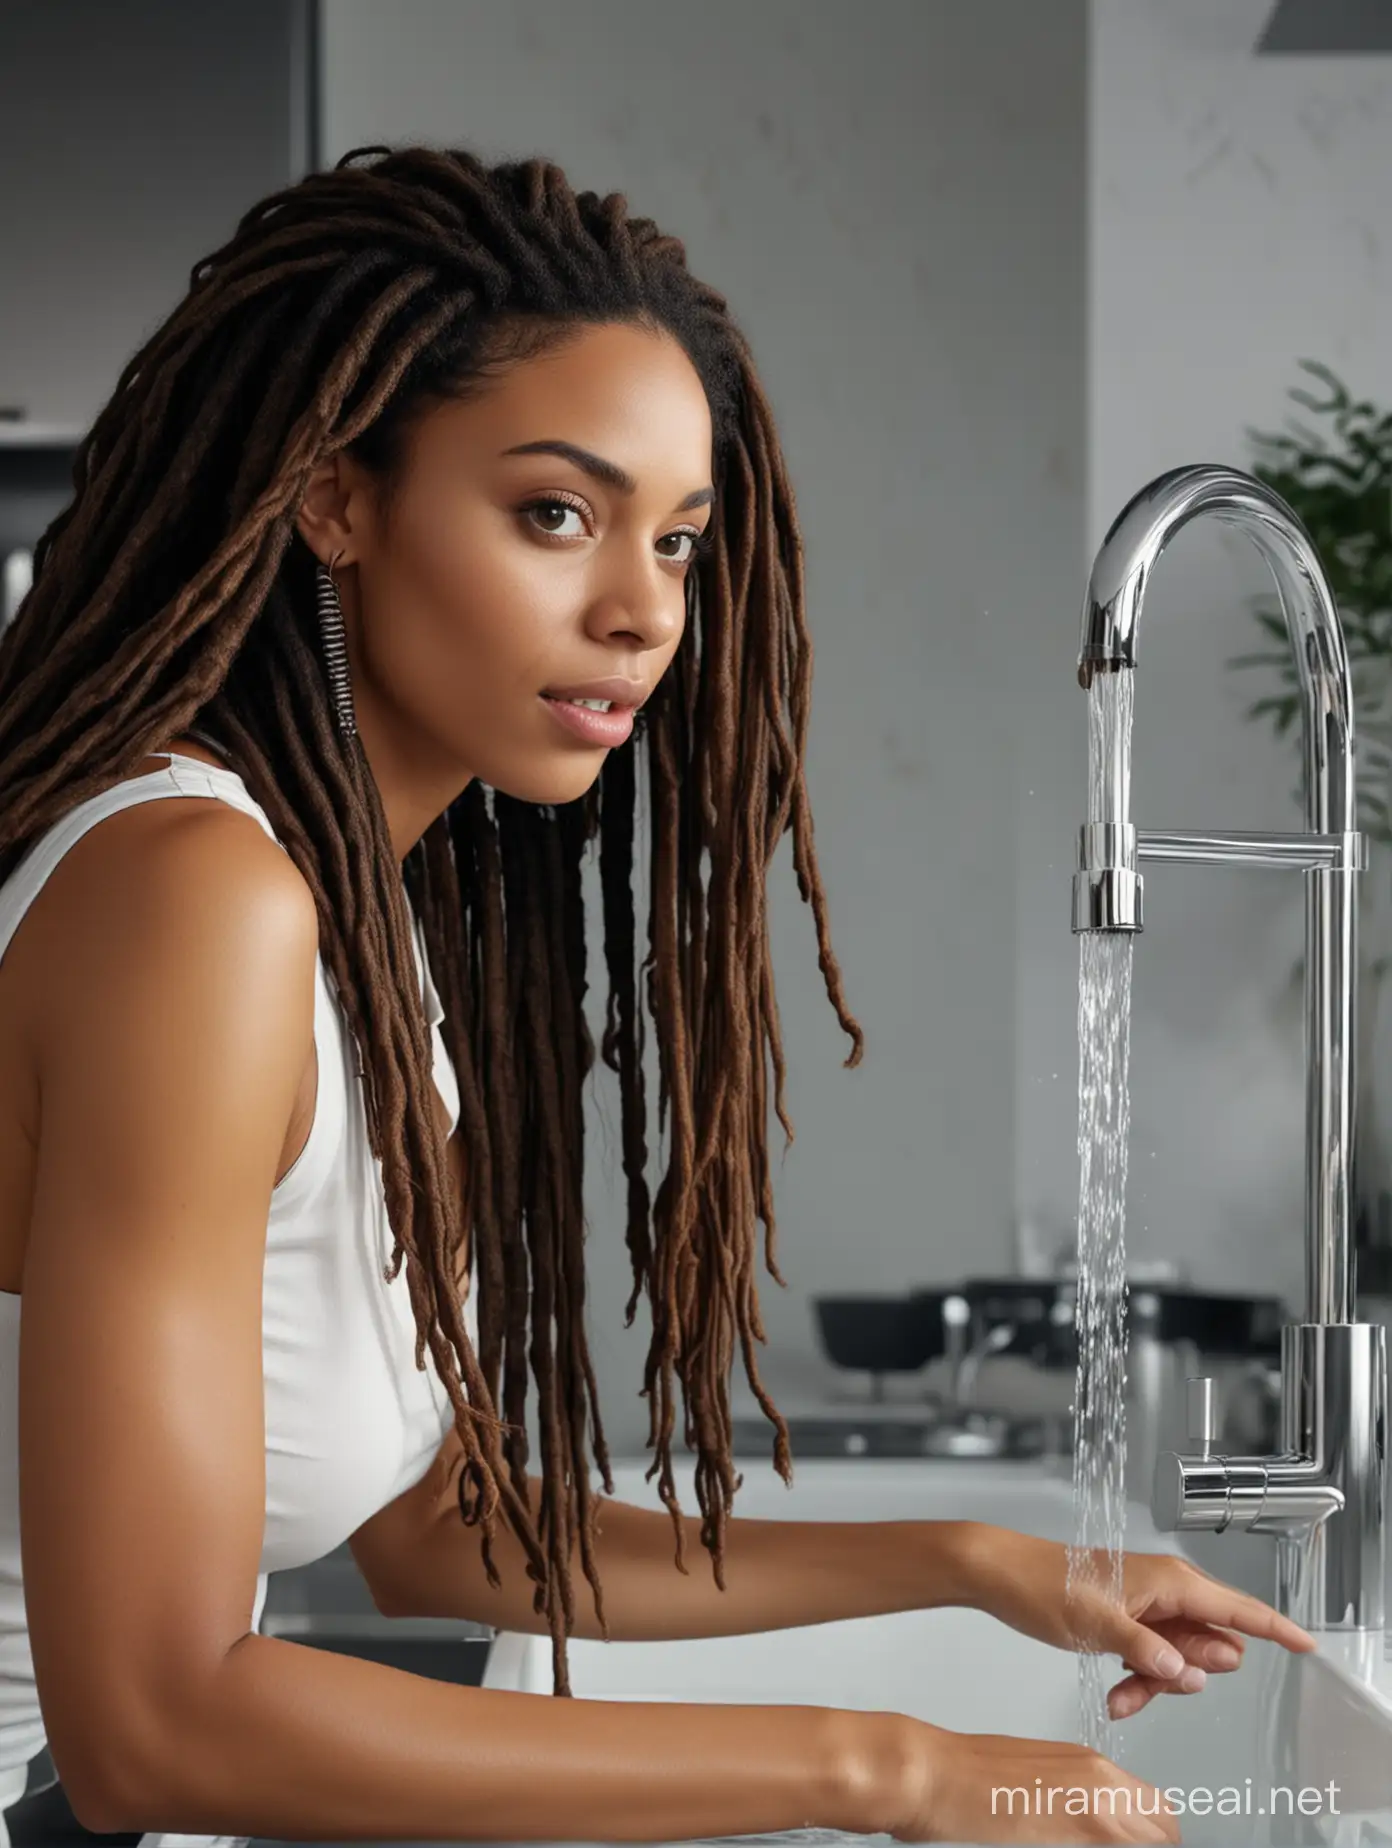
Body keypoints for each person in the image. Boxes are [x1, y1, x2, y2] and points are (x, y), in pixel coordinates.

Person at [0, 144, 1310, 1848]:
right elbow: (161, 1726)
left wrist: (981, 1568)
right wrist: (893, 1771)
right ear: (335, 498)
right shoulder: (196, 900)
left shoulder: (349, 929)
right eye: (556, 512)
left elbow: (428, 1525)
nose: (642, 612)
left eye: (681, 541)